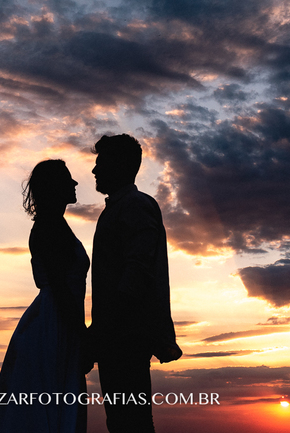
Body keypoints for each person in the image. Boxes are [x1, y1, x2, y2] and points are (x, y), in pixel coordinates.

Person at [0, 159, 89, 433]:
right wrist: (82, 334)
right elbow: (60, 287)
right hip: (55, 323)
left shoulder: (55, 225)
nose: (75, 183)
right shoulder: (49, 228)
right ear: (55, 187)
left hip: (56, 319)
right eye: (68, 179)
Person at [87, 134, 182, 433]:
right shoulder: (121, 207)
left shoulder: (135, 206)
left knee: (130, 422)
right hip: (118, 335)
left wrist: (102, 328)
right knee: (123, 421)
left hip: (125, 336)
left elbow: (137, 272)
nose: (94, 170)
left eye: (101, 163)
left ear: (120, 165)